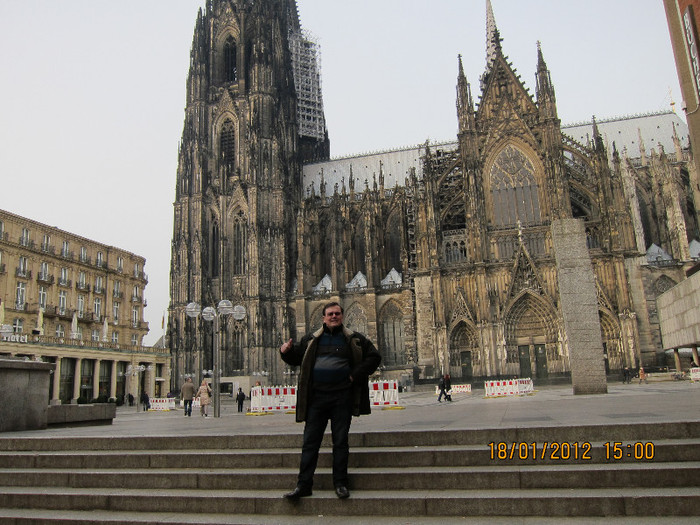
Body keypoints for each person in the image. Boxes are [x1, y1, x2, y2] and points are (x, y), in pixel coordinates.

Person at [280, 301, 381, 500]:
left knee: (340, 442)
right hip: (317, 399)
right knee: (310, 443)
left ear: (342, 316)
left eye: (337, 314)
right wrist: (286, 352)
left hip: (341, 398)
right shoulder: (312, 339)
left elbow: (374, 357)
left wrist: (354, 376)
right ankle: (304, 485)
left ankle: (341, 484)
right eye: (330, 314)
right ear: (323, 318)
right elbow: (296, 358)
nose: (333, 317)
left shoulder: (353, 338)